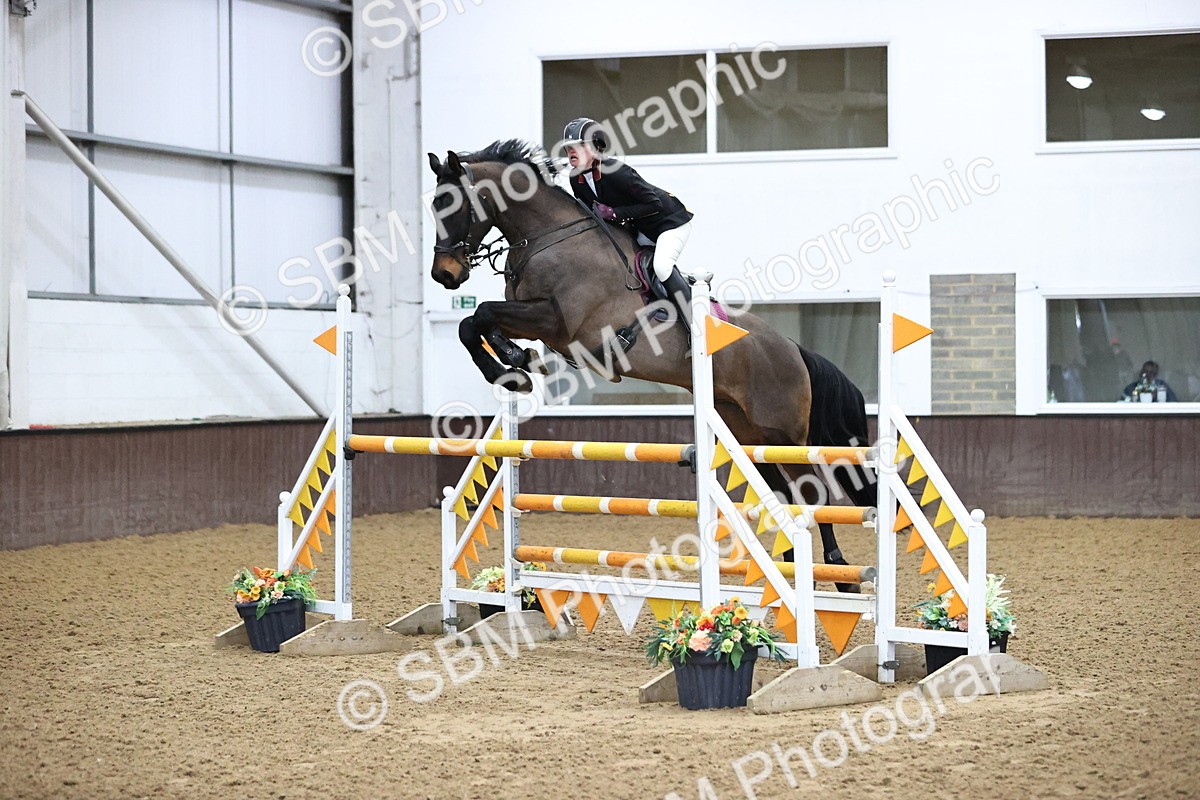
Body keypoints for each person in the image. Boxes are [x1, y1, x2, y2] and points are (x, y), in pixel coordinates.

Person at [560, 117, 695, 339]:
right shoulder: (577, 180)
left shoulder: (616, 171)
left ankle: (697, 326)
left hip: (670, 223)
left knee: (662, 267)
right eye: (568, 148)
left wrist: (614, 214)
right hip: (641, 229)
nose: (571, 152)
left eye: (579, 146)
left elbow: (654, 203)